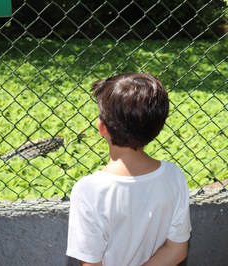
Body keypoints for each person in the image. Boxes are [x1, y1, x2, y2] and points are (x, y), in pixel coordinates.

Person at [66, 73, 191, 266]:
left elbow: (91, 263)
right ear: (158, 126)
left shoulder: (88, 191)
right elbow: (177, 249)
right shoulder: (173, 176)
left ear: (102, 127)